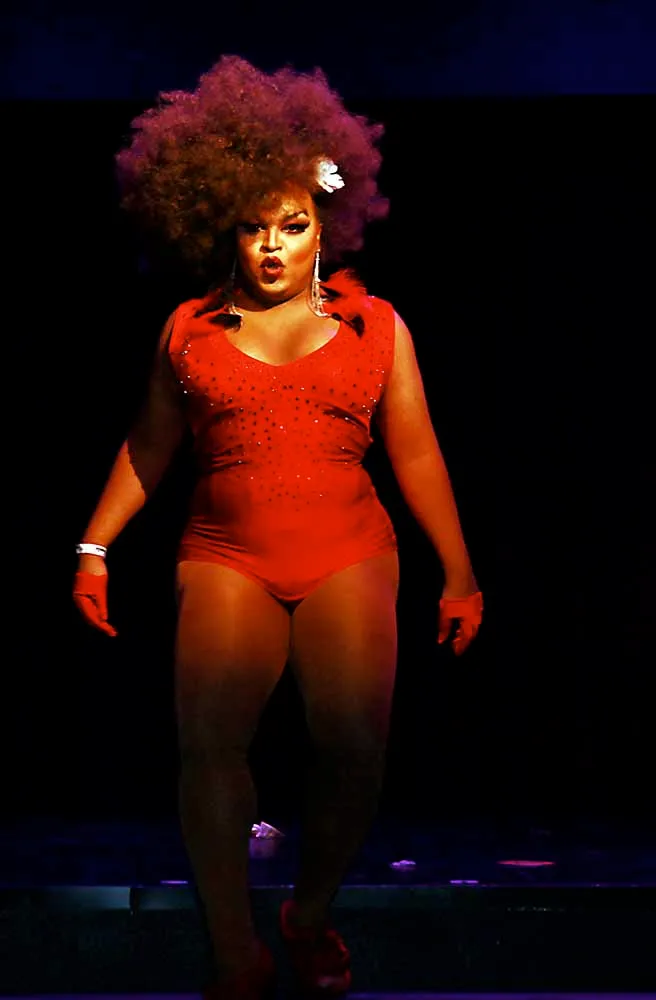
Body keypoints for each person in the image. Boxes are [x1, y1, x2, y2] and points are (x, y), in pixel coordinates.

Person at [73, 55, 483, 1000]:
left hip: (349, 550)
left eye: (291, 227)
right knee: (209, 747)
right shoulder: (189, 330)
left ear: (322, 228)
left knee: (354, 749)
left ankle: (307, 911)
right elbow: (147, 446)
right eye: (253, 227)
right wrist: (93, 548)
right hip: (227, 556)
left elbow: (418, 454)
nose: (271, 247)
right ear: (224, 226)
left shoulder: (378, 328)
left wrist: (459, 572)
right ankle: (234, 951)